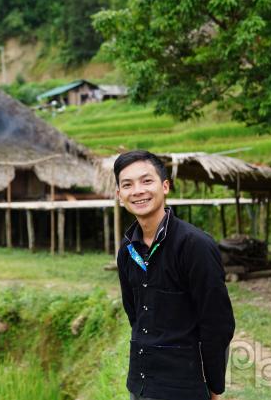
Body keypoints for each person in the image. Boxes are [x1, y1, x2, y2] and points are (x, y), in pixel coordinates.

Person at [114, 150, 235, 400]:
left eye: (147, 181)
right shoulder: (127, 251)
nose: (137, 190)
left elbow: (217, 323)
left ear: (165, 186)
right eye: (127, 184)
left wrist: (214, 387)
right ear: (119, 195)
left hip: (183, 387)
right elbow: (134, 315)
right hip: (140, 385)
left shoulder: (194, 246)